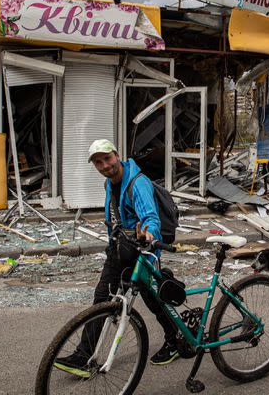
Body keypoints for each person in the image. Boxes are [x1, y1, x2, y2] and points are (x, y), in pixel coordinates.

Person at [54, 139, 179, 376]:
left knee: (152, 298)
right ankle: (83, 356)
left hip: (142, 249)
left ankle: (175, 338)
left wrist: (149, 236)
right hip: (120, 248)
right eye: (98, 162)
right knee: (102, 297)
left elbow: (150, 218)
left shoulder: (137, 183)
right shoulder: (109, 184)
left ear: (117, 155)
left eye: (107, 159)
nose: (105, 165)